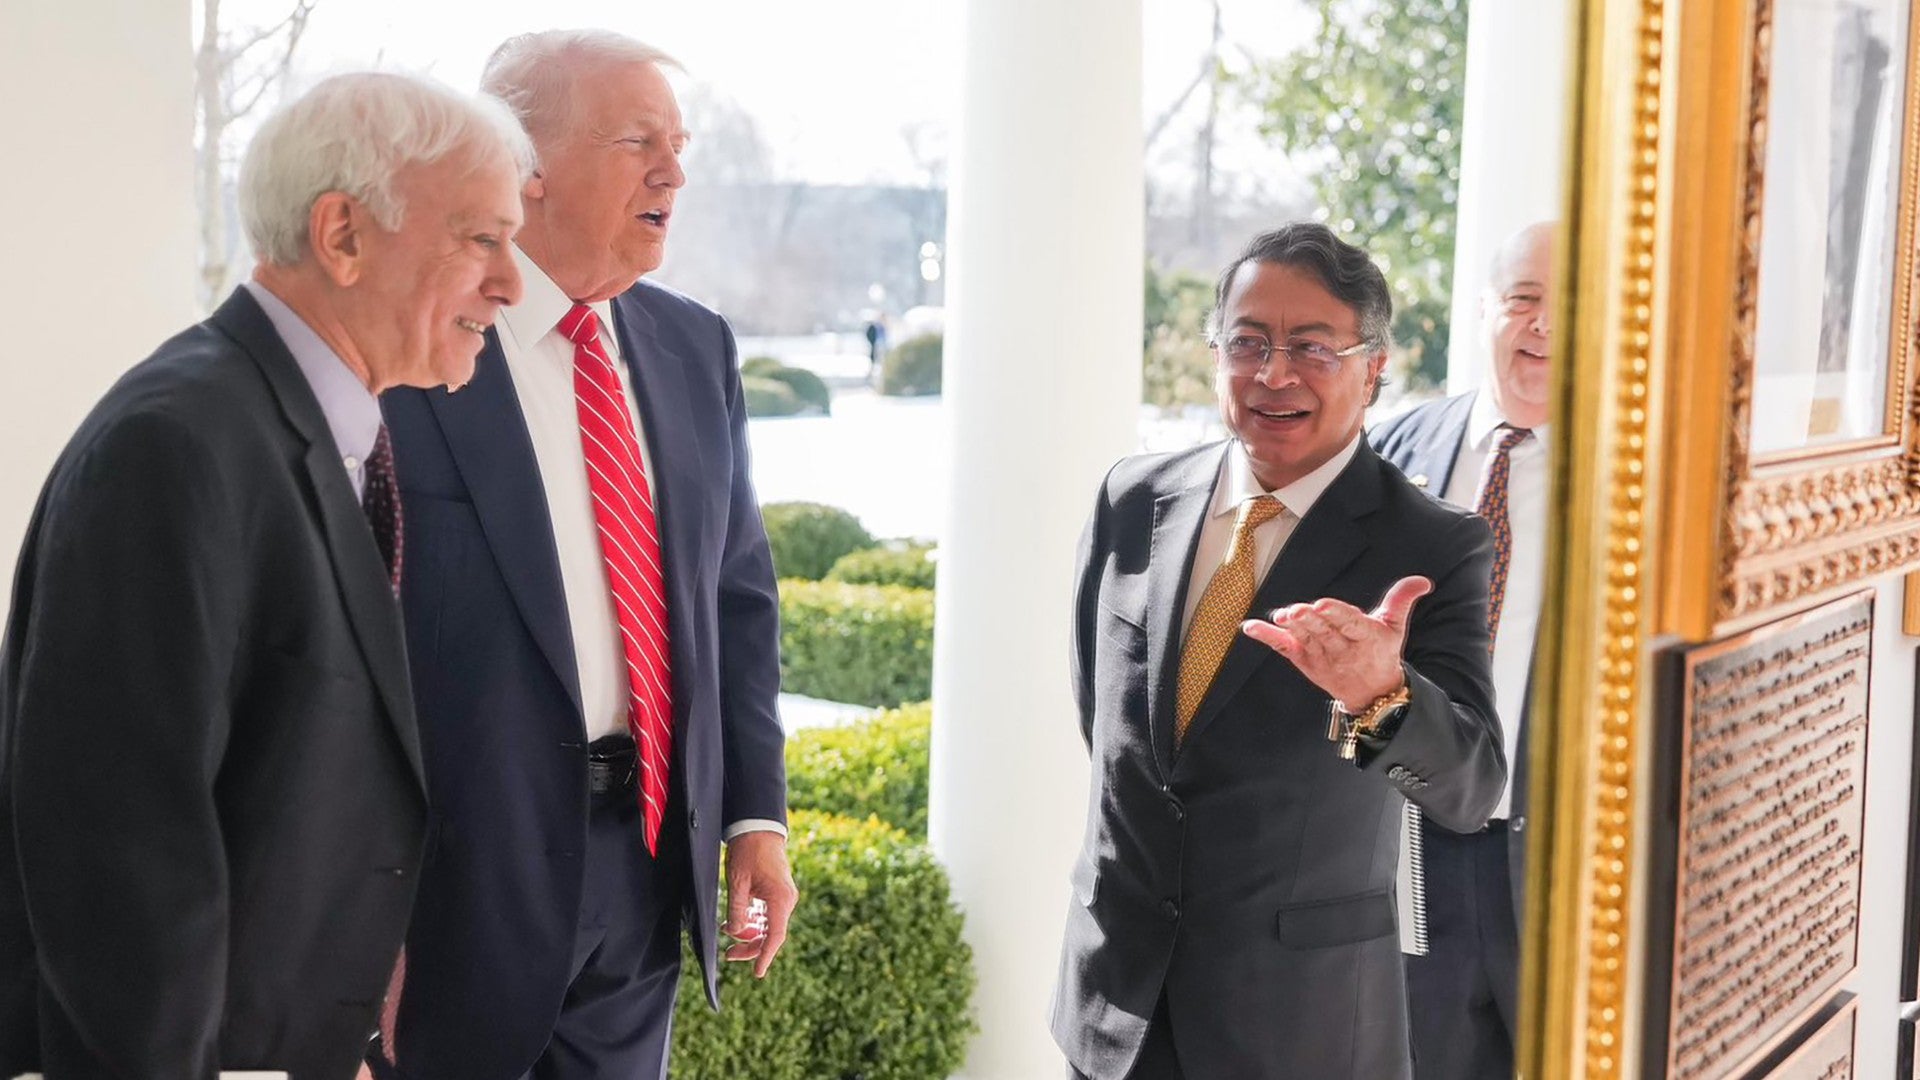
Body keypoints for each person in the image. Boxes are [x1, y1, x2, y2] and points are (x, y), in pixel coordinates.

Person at [0, 71, 528, 1080]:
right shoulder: (176, 446)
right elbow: (119, 854)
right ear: (342, 235)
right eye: (481, 239)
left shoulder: (316, 430)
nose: (511, 283)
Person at [369, 30, 795, 1080]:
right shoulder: (408, 347)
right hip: (455, 890)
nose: (673, 173)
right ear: (526, 165)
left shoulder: (696, 346)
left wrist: (755, 816)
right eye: (638, 141)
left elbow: (736, 596)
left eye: (679, 145)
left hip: (646, 865)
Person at [1052, 222, 1507, 1080]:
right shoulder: (1132, 498)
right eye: (1249, 343)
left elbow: (1471, 787)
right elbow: (1103, 720)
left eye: (1313, 348)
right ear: (1214, 353)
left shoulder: (1432, 545)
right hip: (1112, 1003)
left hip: (1302, 1025)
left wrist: (1382, 696)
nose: (1274, 374)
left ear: (1374, 368)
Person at [1370, 221, 1555, 1080]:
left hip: (1556, 864)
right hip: (1412, 847)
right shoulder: (1394, 452)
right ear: (1483, 310)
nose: (1543, 325)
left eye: (1571, 305)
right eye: (1523, 299)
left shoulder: (1636, 474)